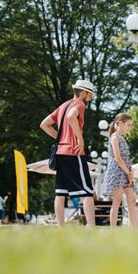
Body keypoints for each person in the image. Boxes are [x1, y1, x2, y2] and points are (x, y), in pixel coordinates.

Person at [40, 79, 96, 227]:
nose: (91, 98)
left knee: (60, 192)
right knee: (87, 191)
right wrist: (79, 139)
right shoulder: (79, 104)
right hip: (74, 152)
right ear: (83, 93)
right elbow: (72, 116)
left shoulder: (63, 106)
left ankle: (61, 228)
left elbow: (44, 124)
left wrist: (60, 137)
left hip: (60, 152)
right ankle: (91, 227)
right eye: (90, 95)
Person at [102, 113, 138, 229]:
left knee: (132, 201)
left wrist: (130, 172)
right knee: (117, 201)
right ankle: (113, 230)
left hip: (126, 171)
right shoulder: (114, 137)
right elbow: (117, 158)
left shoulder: (123, 138)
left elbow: (126, 158)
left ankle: (135, 229)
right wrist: (128, 172)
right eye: (128, 125)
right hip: (117, 172)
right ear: (120, 123)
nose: (129, 127)